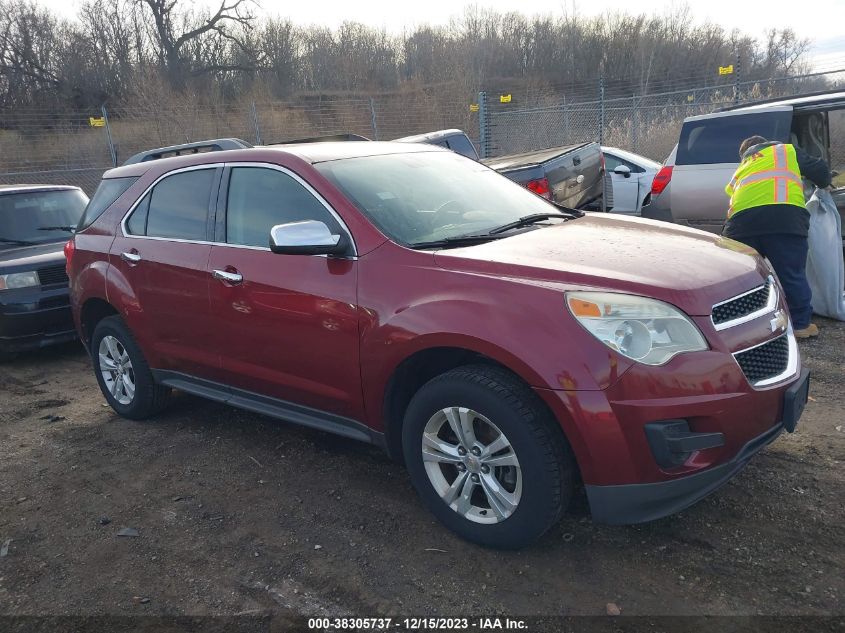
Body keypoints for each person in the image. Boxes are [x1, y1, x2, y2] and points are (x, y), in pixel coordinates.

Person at [723, 136, 832, 339]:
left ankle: (741, 326)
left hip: (740, 226)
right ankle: (800, 325)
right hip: (783, 220)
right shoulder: (784, 151)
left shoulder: (742, 167)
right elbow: (819, 170)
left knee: (741, 279)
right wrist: (825, 183)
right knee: (791, 273)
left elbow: (733, 199)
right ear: (767, 143)